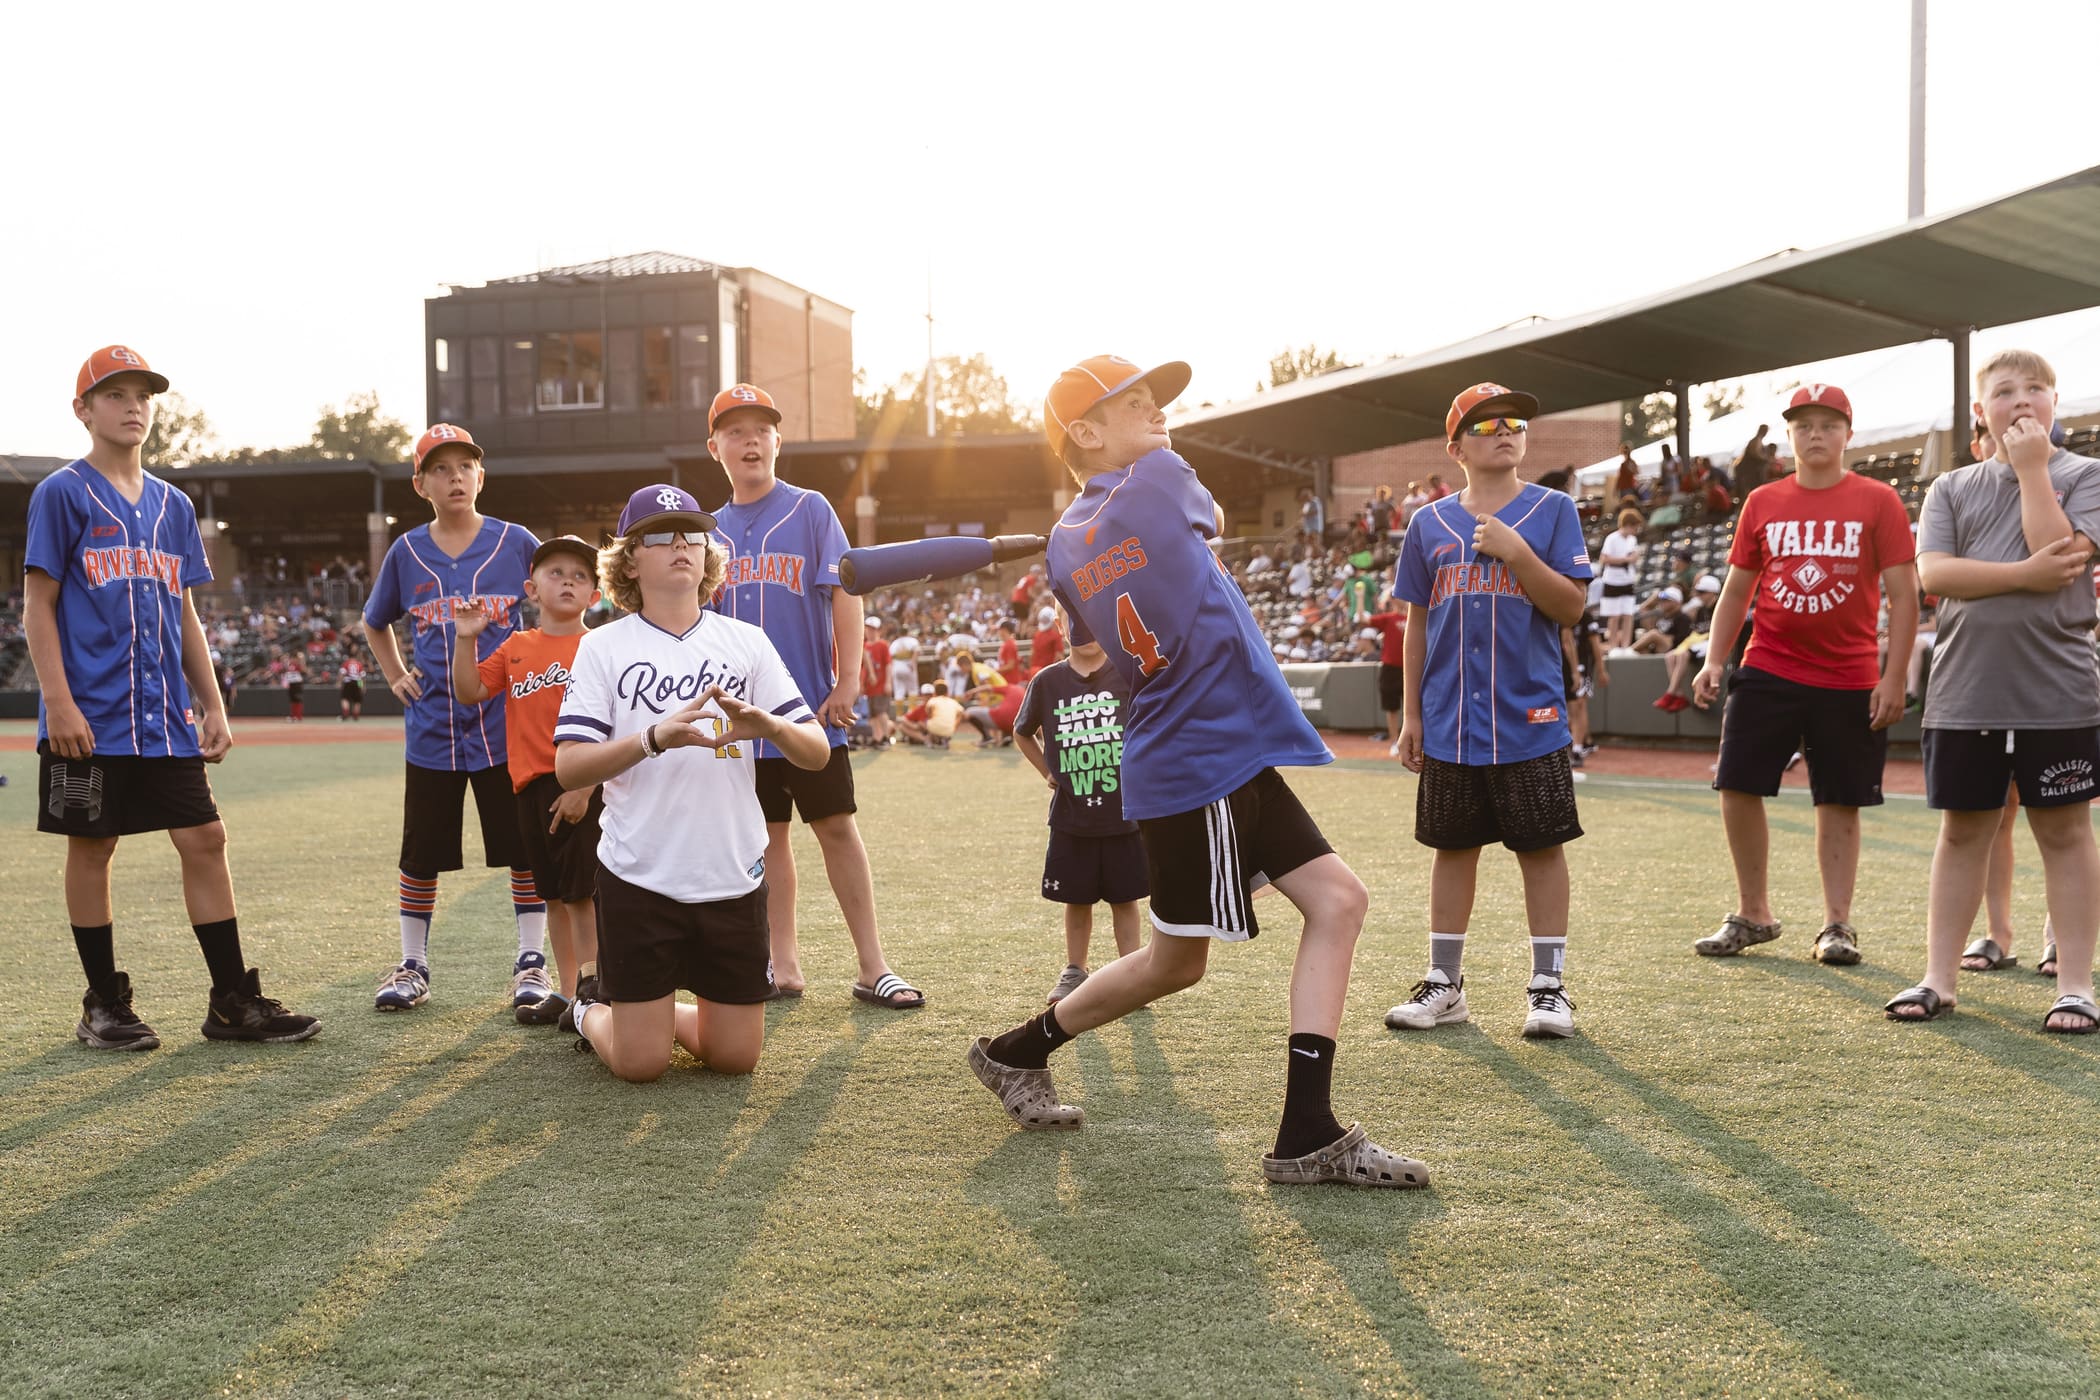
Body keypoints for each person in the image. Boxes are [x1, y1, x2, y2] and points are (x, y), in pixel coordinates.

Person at [970, 354, 1426, 1190]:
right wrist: (1124, 509)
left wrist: (1094, 528)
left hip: (1213, 745)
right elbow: (1204, 513)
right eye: (1132, 403)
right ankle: (1015, 1051)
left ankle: (1305, 1128)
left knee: (1337, 902)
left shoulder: (1068, 543)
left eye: (1153, 401)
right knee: (1176, 963)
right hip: (1201, 752)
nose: (1159, 412)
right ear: (1083, 432)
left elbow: (1101, 597)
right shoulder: (1158, 479)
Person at [27, 345, 317, 1050]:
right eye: (115, 394)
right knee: (94, 846)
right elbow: (38, 605)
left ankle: (230, 1002)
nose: (133, 406)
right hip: (88, 718)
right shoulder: (62, 493)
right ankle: (103, 1002)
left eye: (143, 395)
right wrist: (58, 703)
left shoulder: (174, 504)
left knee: (206, 838)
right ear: (83, 410)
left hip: (163, 718)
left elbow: (183, 610)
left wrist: (211, 701)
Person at [553, 485, 828, 1080]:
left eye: (693, 534)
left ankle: (644, 1011)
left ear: (707, 554)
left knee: (734, 1060)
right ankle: (591, 1011)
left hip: (730, 875)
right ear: (629, 559)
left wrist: (768, 725)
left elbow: (817, 752)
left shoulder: (745, 641)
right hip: (638, 876)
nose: (681, 544)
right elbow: (570, 766)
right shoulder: (602, 646)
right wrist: (654, 738)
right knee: (640, 1065)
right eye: (660, 534)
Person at [1885, 352, 2099, 1031]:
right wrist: (2020, 575)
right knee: (1963, 832)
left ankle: (2074, 986)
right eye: (2004, 392)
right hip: (1966, 692)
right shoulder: (1951, 488)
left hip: (2058, 692)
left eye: (2035, 388)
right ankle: (1938, 980)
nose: (2021, 400)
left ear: (2056, 403)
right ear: (1982, 411)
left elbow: (2060, 560)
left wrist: (2035, 471)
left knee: (2065, 832)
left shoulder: (2086, 475)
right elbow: (1937, 576)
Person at [704, 384, 921, 1008]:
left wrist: (848, 680)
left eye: (761, 429)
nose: (749, 440)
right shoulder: (707, 530)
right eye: (735, 430)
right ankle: (783, 966)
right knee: (765, 838)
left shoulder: (810, 509)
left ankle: (873, 965)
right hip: (740, 719)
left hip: (807, 708)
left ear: (778, 441)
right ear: (714, 446)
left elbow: (846, 591)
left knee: (835, 826)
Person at [1386, 383, 1591, 1040]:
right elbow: (1416, 625)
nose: (1505, 431)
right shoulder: (1427, 524)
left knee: (1541, 848)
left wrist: (1519, 554)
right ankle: (1446, 985)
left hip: (1529, 716)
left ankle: (1549, 989)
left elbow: (1571, 608)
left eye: (1513, 422)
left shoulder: (1554, 510)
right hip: (1450, 720)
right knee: (1452, 848)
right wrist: (1412, 717)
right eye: (1485, 425)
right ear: (1456, 448)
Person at [1689, 385, 1917, 967]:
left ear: (1847, 432)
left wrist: (1893, 678)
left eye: (1828, 424)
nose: (1816, 434)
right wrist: (1716, 658)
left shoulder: (1879, 500)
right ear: (1788, 435)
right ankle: (1754, 912)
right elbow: (1738, 588)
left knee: (1838, 798)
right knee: (1736, 783)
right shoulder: (1763, 501)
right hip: (1768, 664)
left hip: (1849, 674)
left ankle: (1837, 924)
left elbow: (1904, 594)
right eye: (1804, 424)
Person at [360, 424, 543, 1012]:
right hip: (433, 728)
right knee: (422, 852)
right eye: (440, 468)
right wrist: (393, 674)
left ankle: (531, 962)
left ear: (480, 476)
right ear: (421, 484)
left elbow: (558, 601)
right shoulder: (407, 551)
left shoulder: (516, 542)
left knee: (523, 848)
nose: (455, 476)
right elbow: (375, 620)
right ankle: (413, 964)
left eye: (464, 465)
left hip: (504, 726)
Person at [451, 534, 605, 1025]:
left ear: (594, 595)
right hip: (529, 788)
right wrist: (466, 636)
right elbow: (470, 690)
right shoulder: (516, 646)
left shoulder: (601, 645)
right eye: (555, 573)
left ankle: (593, 986)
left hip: (581, 783)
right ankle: (565, 991)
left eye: (580, 576)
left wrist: (584, 788)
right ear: (531, 589)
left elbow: (618, 725)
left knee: (584, 895)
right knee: (554, 895)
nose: (568, 582)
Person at [1012, 618, 1146, 1004]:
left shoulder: (1126, 673)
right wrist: (1047, 772)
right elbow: (1022, 731)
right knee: (1077, 899)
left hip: (1125, 813)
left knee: (1126, 899)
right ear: (1060, 624)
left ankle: (1134, 972)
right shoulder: (1048, 681)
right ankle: (1075, 970)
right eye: (1075, 620)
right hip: (1072, 816)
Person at [1360, 602, 1407, 757]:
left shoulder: (1416, 615)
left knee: (1413, 707)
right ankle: (1395, 742)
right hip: (1391, 668)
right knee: (1392, 707)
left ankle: (1412, 742)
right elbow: (1363, 619)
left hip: (1411, 666)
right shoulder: (1389, 618)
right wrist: (1360, 597)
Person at [1597, 508, 1643, 649]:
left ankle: (1625, 646)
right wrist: (1624, 559)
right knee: (1614, 616)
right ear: (1629, 525)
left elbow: (1634, 557)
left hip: (1627, 580)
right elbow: (1604, 559)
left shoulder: (1632, 539)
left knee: (1628, 614)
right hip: (1612, 580)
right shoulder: (1612, 538)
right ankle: (1612, 646)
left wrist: (1630, 559)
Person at [861, 616, 893, 747]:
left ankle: (886, 736)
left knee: (881, 712)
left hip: (880, 684)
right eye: (868, 629)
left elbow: (888, 665)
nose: (870, 632)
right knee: (873, 715)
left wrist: (888, 683)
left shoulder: (883, 645)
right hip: (869, 687)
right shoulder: (864, 646)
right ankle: (876, 737)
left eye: (873, 629)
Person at [1029, 603, 1066, 674]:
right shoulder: (1055, 635)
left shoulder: (1037, 635)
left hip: (1034, 671)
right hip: (1047, 672)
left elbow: (1032, 654)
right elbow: (1059, 657)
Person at [339, 651, 366, 721]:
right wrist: (361, 686)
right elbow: (361, 677)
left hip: (348, 682)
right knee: (357, 700)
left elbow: (342, 673)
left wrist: (340, 682)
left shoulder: (346, 663)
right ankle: (356, 716)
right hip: (357, 682)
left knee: (345, 698)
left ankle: (345, 714)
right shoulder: (359, 664)